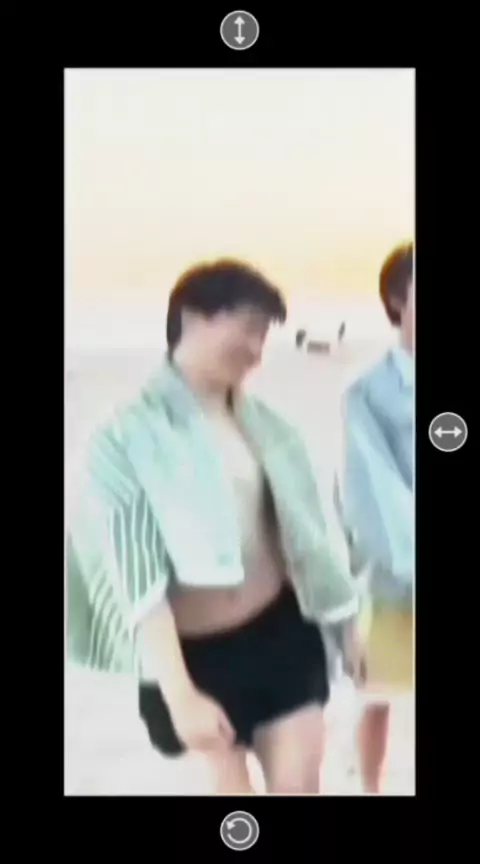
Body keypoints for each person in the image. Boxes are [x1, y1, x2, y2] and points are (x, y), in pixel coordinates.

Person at [67, 259, 365, 795]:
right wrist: (180, 694)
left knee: (298, 786)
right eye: (248, 327)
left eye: (264, 335)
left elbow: (310, 540)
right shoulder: (122, 438)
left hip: (282, 633)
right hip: (196, 657)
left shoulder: (268, 426)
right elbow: (137, 579)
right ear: (193, 317)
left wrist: (347, 630)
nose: (256, 349)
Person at [340, 242, 414, 793]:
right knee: (378, 695)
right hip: (393, 570)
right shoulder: (367, 393)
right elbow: (374, 489)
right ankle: (370, 788)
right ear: (396, 299)